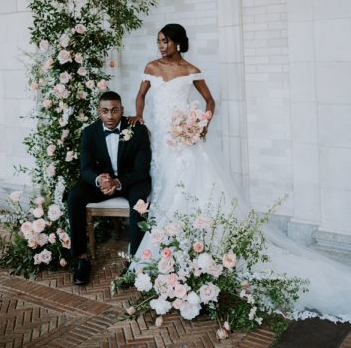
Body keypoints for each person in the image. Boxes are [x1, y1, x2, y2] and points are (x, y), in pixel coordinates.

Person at [127, 23, 351, 320]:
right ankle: (172, 254)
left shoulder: (191, 68)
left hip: (188, 142)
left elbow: (210, 101)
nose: (161, 46)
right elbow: (140, 96)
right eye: (159, 41)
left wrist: (201, 125)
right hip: (165, 145)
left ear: (178, 43)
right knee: (167, 189)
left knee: (194, 192)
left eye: (165, 41)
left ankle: (200, 252)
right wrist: (140, 116)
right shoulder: (152, 67)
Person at [67, 90, 151, 285]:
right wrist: (99, 179)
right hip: (104, 182)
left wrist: (118, 182)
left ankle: (135, 264)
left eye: (115, 111)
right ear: (99, 112)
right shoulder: (90, 132)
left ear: (122, 110)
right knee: (74, 196)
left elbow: (142, 170)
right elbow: (85, 168)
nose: (110, 116)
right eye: (105, 111)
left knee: (139, 199)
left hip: (131, 181)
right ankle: (81, 259)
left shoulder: (137, 130)